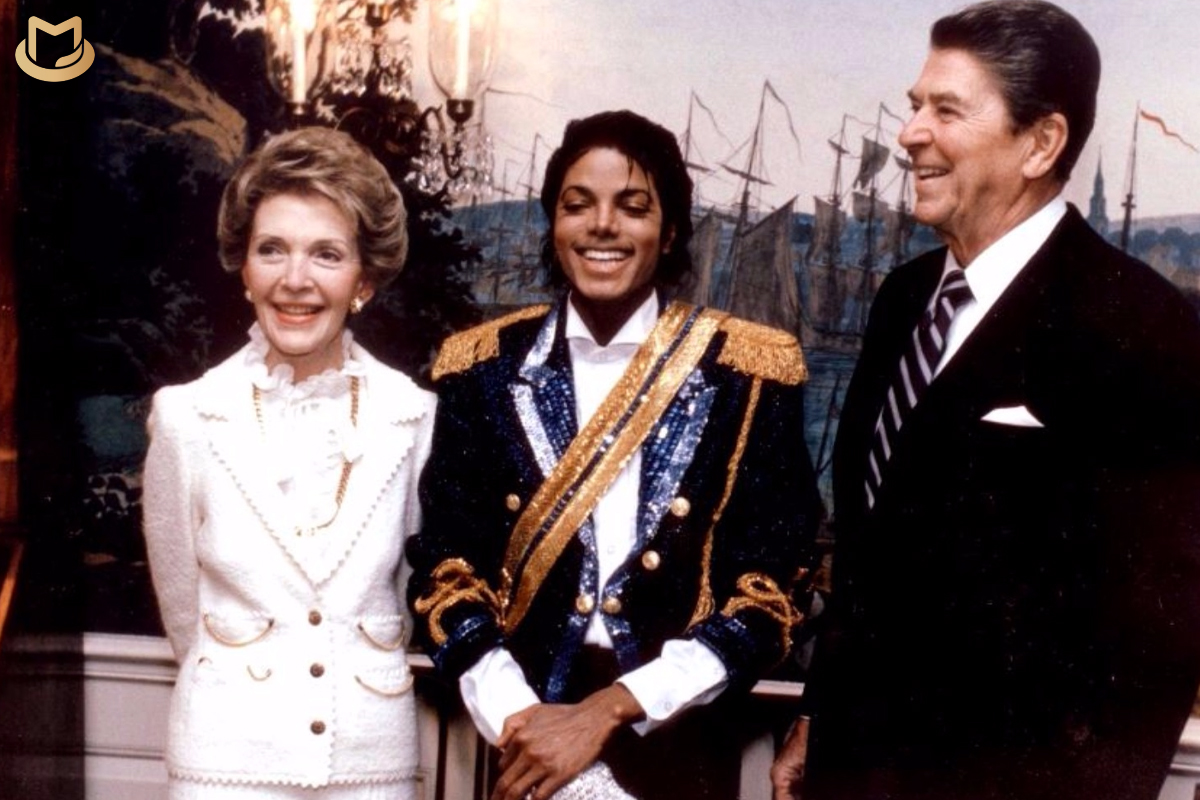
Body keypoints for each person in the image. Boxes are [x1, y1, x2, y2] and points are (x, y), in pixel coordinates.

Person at [772, 3, 1200, 799]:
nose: (910, 134)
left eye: (946, 110)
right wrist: (819, 713)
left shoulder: (1140, 325)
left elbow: (1159, 639)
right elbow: (869, 550)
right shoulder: (903, 298)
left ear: (1040, 143)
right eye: (915, 106)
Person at [407, 109, 822, 800]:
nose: (603, 225)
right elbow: (446, 574)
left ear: (671, 231)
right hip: (520, 737)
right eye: (578, 205)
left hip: (680, 736)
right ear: (553, 224)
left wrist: (611, 709)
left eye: (632, 207)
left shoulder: (748, 375)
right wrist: (524, 723)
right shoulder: (481, 369)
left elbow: (773, 591)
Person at [142, 126, 436, 800]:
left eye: (326, 254)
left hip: (371, 763)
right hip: (222, 763)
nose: (294, 280)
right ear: (244, 269)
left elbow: (404, 595)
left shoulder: (414, 417)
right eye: (272, 249)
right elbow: (183, 611)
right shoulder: (187, 418)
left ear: (364, 279)